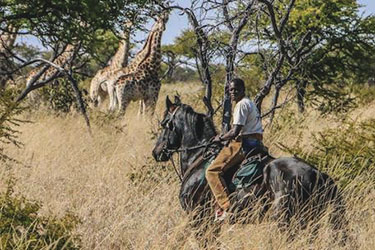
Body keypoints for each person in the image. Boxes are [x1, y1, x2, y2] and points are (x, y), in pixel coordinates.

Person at [206, 78, 264, 222]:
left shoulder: (241, 105)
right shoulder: (250, 102)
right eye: (231, 90)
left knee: (212, 171)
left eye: (236, 89)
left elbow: (235, 132)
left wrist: (220, 138)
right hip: (257, 142)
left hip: (244, 143)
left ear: (243, 89)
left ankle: (226, 207)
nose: (233, 92)